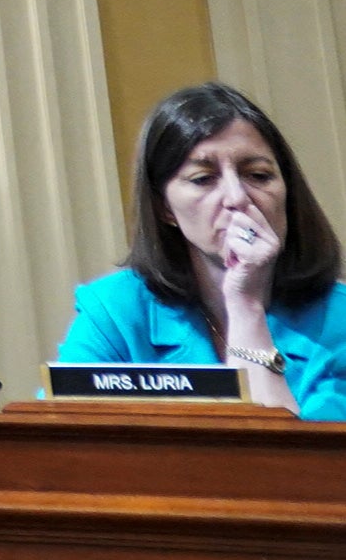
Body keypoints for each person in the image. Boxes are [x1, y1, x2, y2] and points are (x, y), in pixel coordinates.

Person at [55, 80, 346, 418]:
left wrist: (245, 303)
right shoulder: (115, 312)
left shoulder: (338, 320)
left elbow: (287, 462)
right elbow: (61, 443)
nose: (237, 197)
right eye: (203, 179)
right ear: (164, 206)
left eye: (258, 175)